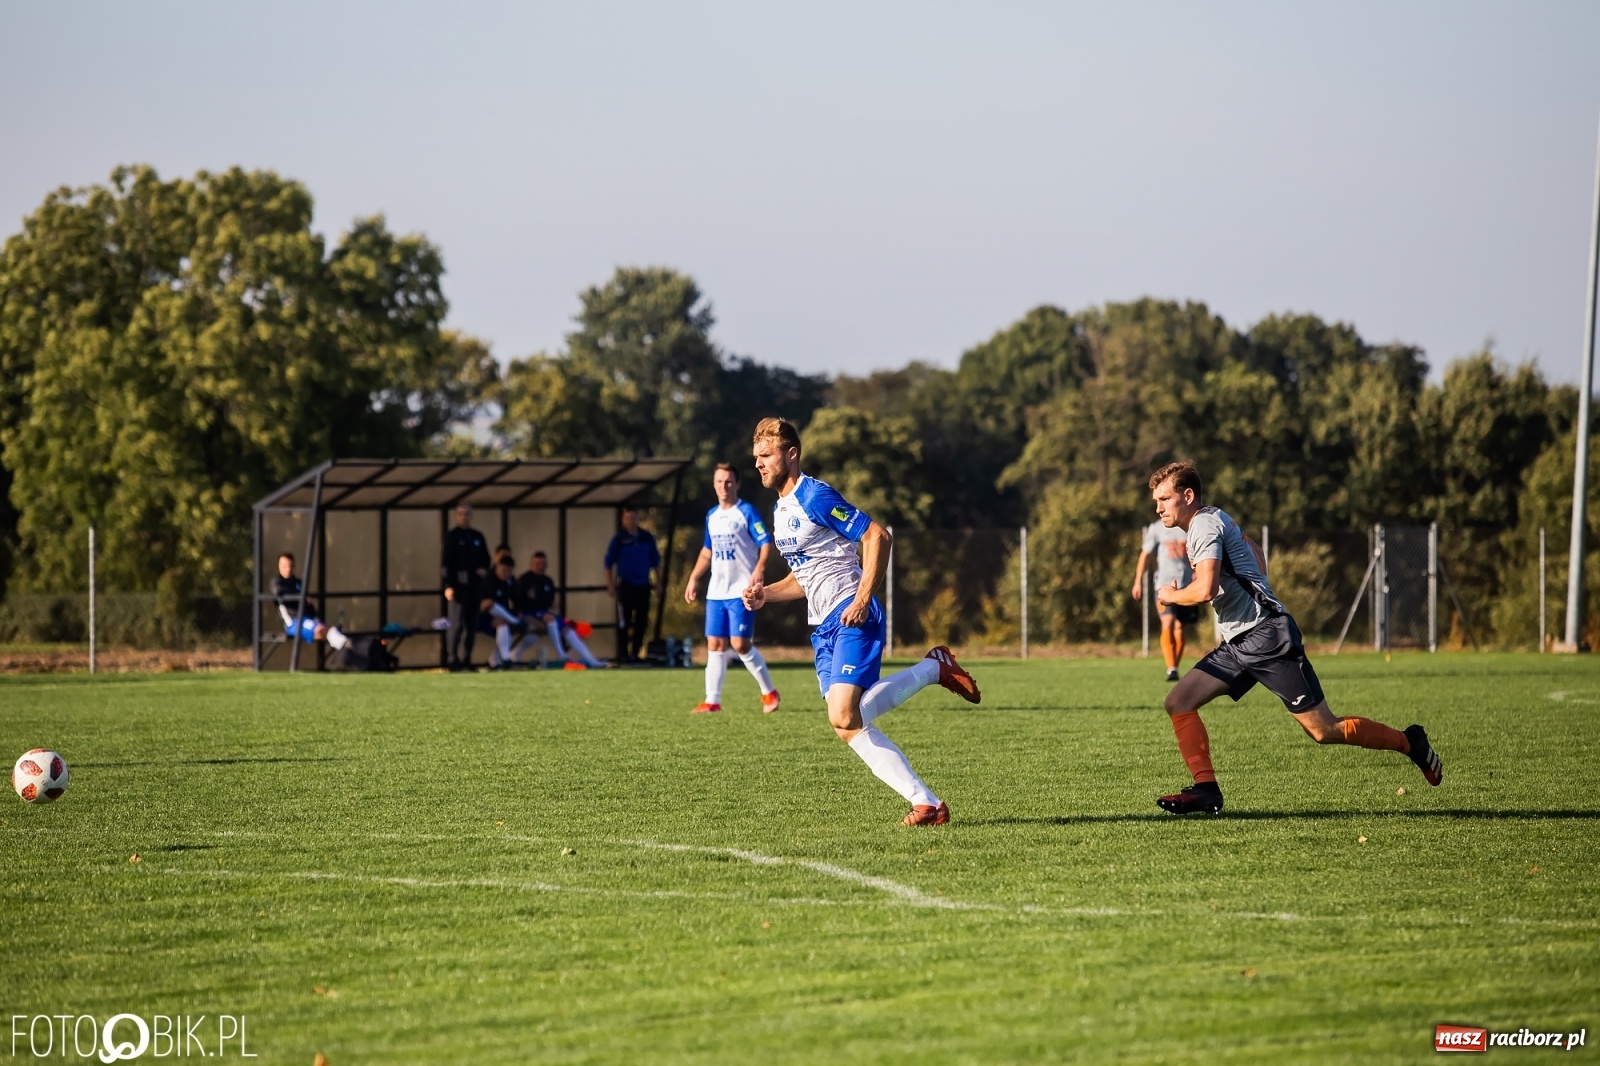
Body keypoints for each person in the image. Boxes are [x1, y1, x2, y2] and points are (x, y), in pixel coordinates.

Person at [1148, 460, 1443, 815]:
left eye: (1165, 498)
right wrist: (1255, 584)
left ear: (1188, 495)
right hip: (1239, 642)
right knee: (1179, 701)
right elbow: (1253, 550)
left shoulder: (1202, 525)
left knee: (1324, 730)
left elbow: (1207, 588)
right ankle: (1206, 789)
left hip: (1267, 638)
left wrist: (1169, 595)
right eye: (1157, 500)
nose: (1159, 507)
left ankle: (1409, 742)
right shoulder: (1215, 518)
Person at [741, 416, 980, 826]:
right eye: (756, 457)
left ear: (791, 454)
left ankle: (925, 802)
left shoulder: (814, 495)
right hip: (823, 627)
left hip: (852, 613)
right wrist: (767, 594)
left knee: (845, 716)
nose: (759, 464)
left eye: (766, 455)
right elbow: (805, 575)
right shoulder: (781, 511)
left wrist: (863, 596)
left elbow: (877, 536)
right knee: (846, 723)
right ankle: (933, 672)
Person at [684, 463, 781, 714]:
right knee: (714, 644)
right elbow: (708, 551)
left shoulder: (746, 512)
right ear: (714, 485)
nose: (723, 486)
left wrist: (759, 569)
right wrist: (694, 577)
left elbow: (766, 542)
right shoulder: (712, 516)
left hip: (741, 591)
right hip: (716, 591)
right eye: (719, 482)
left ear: (736, 484)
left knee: (739, 644)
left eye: (728, 482)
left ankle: (769, 692)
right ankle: (712, 701)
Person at [512, 551, 606, 668]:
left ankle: (592, 660)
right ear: (531, 564)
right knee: (549, 620)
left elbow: (550, 603)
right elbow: (518, 603)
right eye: (537, 564)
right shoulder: (524, 580)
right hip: (528, 614)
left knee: (568, 630)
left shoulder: (548, 581)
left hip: (545, 614)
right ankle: (561, 654)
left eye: (543, 564)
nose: (540, 567)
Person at [1133, 518, 1197, 681]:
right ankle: (1171, 668)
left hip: (1186, 586)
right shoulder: (1156, 528)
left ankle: (1175, 664)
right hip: (1163, 586)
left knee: (1179, 627)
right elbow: (1145, 555)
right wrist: (1138, 581)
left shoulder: (1191, 525)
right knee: (1168, 621)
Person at [604, 505, 660, 662]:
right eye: (627, 518)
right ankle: (623, 654)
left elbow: (656, 561)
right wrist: (610, 583)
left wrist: (659, 582)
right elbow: (608, 563)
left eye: (633, 518)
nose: (630, 521)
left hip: (643, 584)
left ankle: (636, 652)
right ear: (623, 520)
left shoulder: (646, 537)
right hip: (625, 584)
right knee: (624, 621)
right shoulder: (619, 539)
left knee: (641, 621)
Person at [441, 503, 491, 670]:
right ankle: (452, 659)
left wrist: (483, 570)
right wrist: (448, 585)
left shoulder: (477, 536)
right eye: (461, 514)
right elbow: (446, 563)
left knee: (471, 625)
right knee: (456, 625)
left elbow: (486, 558)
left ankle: (467, 659)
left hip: (474, 588)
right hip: (458, 588)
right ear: (456, 516)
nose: (464, 517)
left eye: (467, 514)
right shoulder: (452, 536)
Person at [271, 552, 351, 652]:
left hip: (308, 619)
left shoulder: (298, 583)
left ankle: (345, 646)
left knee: (327, 628)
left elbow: (308, 602)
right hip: (293, 623)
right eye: (284, 566)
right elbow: (278, 592)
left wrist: (315, 616)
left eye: (290, 565)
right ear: (279, 566)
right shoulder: (277, 582)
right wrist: (300, 595)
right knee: (322, 630)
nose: (288, 569)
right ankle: (346, 646)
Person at [477, 555, 526, 669]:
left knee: (503, 623)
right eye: (503, 570)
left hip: (501, 616)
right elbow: (480, 604)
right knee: (490, 603)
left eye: (509, 571)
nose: (506, 573)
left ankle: (500, 660)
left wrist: (518, 612)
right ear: (497, 566)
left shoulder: (510, 582)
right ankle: (513, 621)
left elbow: (516, 600)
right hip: (482, 618)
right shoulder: (487, 580)